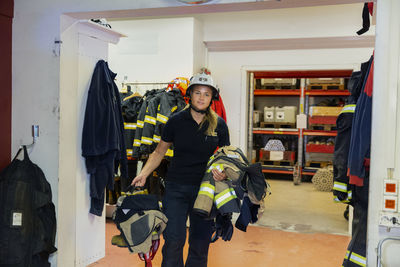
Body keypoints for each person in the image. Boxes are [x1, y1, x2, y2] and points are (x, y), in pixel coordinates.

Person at [131, 73, 230, 267]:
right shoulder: (175, 121)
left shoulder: (219, 124)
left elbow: (226, 157)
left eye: (206, 94)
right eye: (197, 93)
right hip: (176, 189)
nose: (201, 97)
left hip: (205, 190)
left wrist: (224, 172)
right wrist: (143, 174)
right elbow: (159, 152)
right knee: (174, 240)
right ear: (190, 96)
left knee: (200, 242)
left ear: (212, 98)